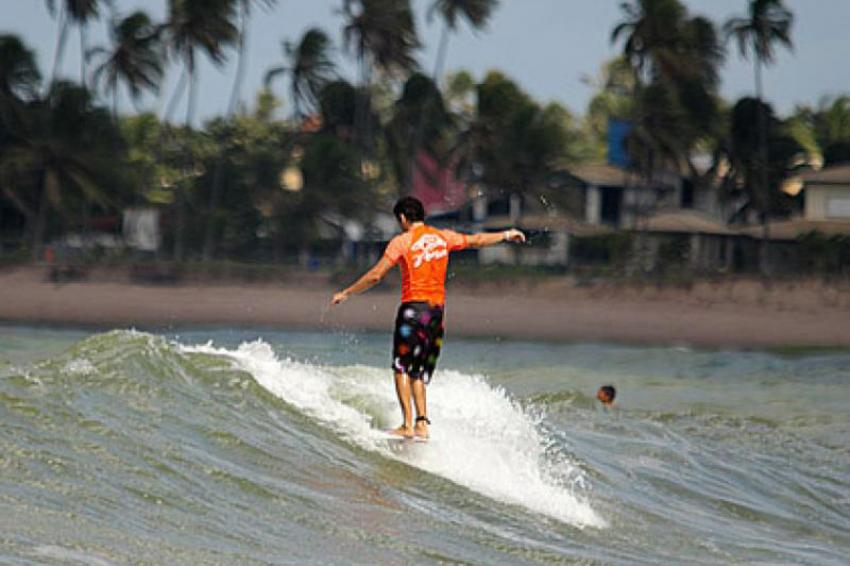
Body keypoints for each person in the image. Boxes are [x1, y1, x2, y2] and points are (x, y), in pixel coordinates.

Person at [331, 196, 526, 439]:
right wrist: (507, 234)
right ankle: (422, 424)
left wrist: (347, 292)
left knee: (401, 367)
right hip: (436, 314)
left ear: (402, 217)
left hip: (414, 311)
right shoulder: (443, 237)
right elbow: (476, 240)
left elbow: (376, 275)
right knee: (419, 371)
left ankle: (407, 425)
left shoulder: (402, 242)